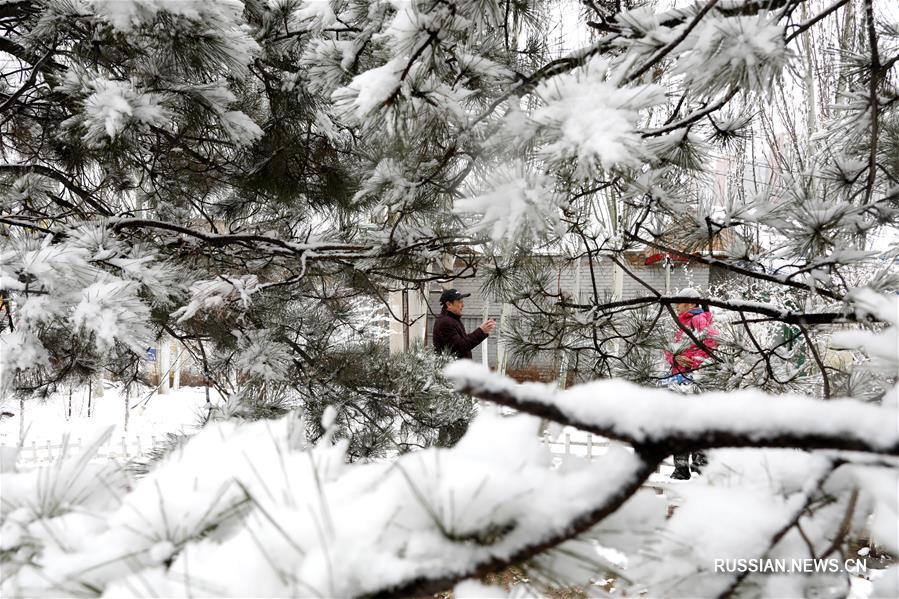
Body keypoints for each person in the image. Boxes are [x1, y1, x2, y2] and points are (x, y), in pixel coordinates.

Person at [663, 292, 719, 480]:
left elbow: (711, 347)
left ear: (691, 303)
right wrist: (675, 357)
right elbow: (668, 350)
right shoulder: (681, 323)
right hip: (678, 378)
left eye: (680, 303)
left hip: (693, 379)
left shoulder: (699, 320)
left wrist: (693, 363)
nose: (677, 306)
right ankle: (683, 467)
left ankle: (695, 464)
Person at [432, 288, 496, 360]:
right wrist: (481, 331)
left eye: (462, 301)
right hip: (452, 370)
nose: (463, 305)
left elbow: (462, 342)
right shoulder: (445, 323)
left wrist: (483, 332)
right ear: (449, 304)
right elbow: (460, 346)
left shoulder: (453, 320)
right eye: (459, 302)